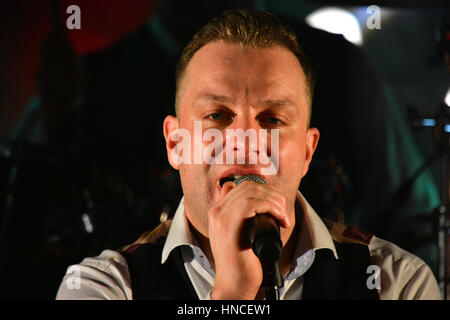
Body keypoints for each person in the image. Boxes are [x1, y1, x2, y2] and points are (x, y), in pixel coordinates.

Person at [56, 9, 441, 300]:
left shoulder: (398, 283)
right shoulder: (103, 288)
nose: (244, 141)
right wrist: (232, 294)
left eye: (272, 119)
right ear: (175, 144)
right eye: (218, 116)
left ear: (308, 152)